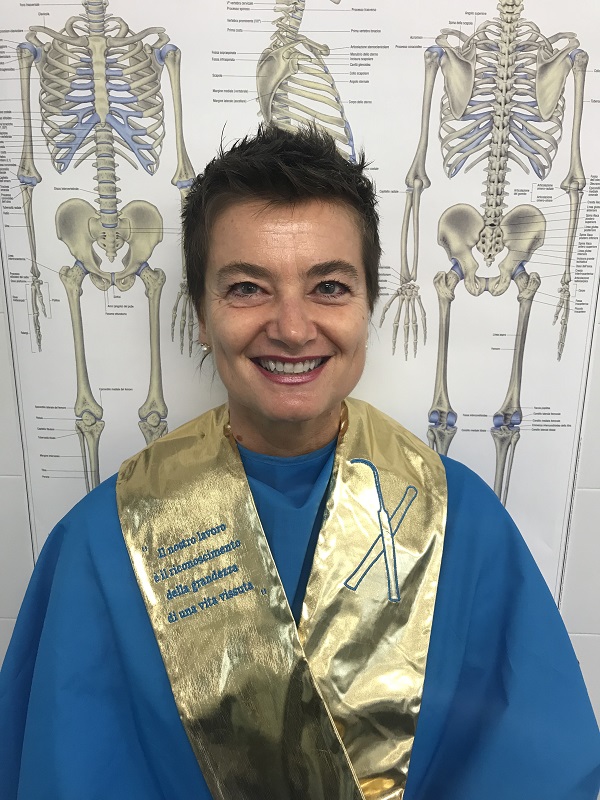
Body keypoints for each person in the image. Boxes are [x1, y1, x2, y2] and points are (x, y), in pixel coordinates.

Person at [0, 125, 598, 800]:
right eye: (247, 288)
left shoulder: (459, 521)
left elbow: (538, 769)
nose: (291, 327)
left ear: (367, 306)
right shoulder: (104, 541)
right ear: (200, 315)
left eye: (330, 287)